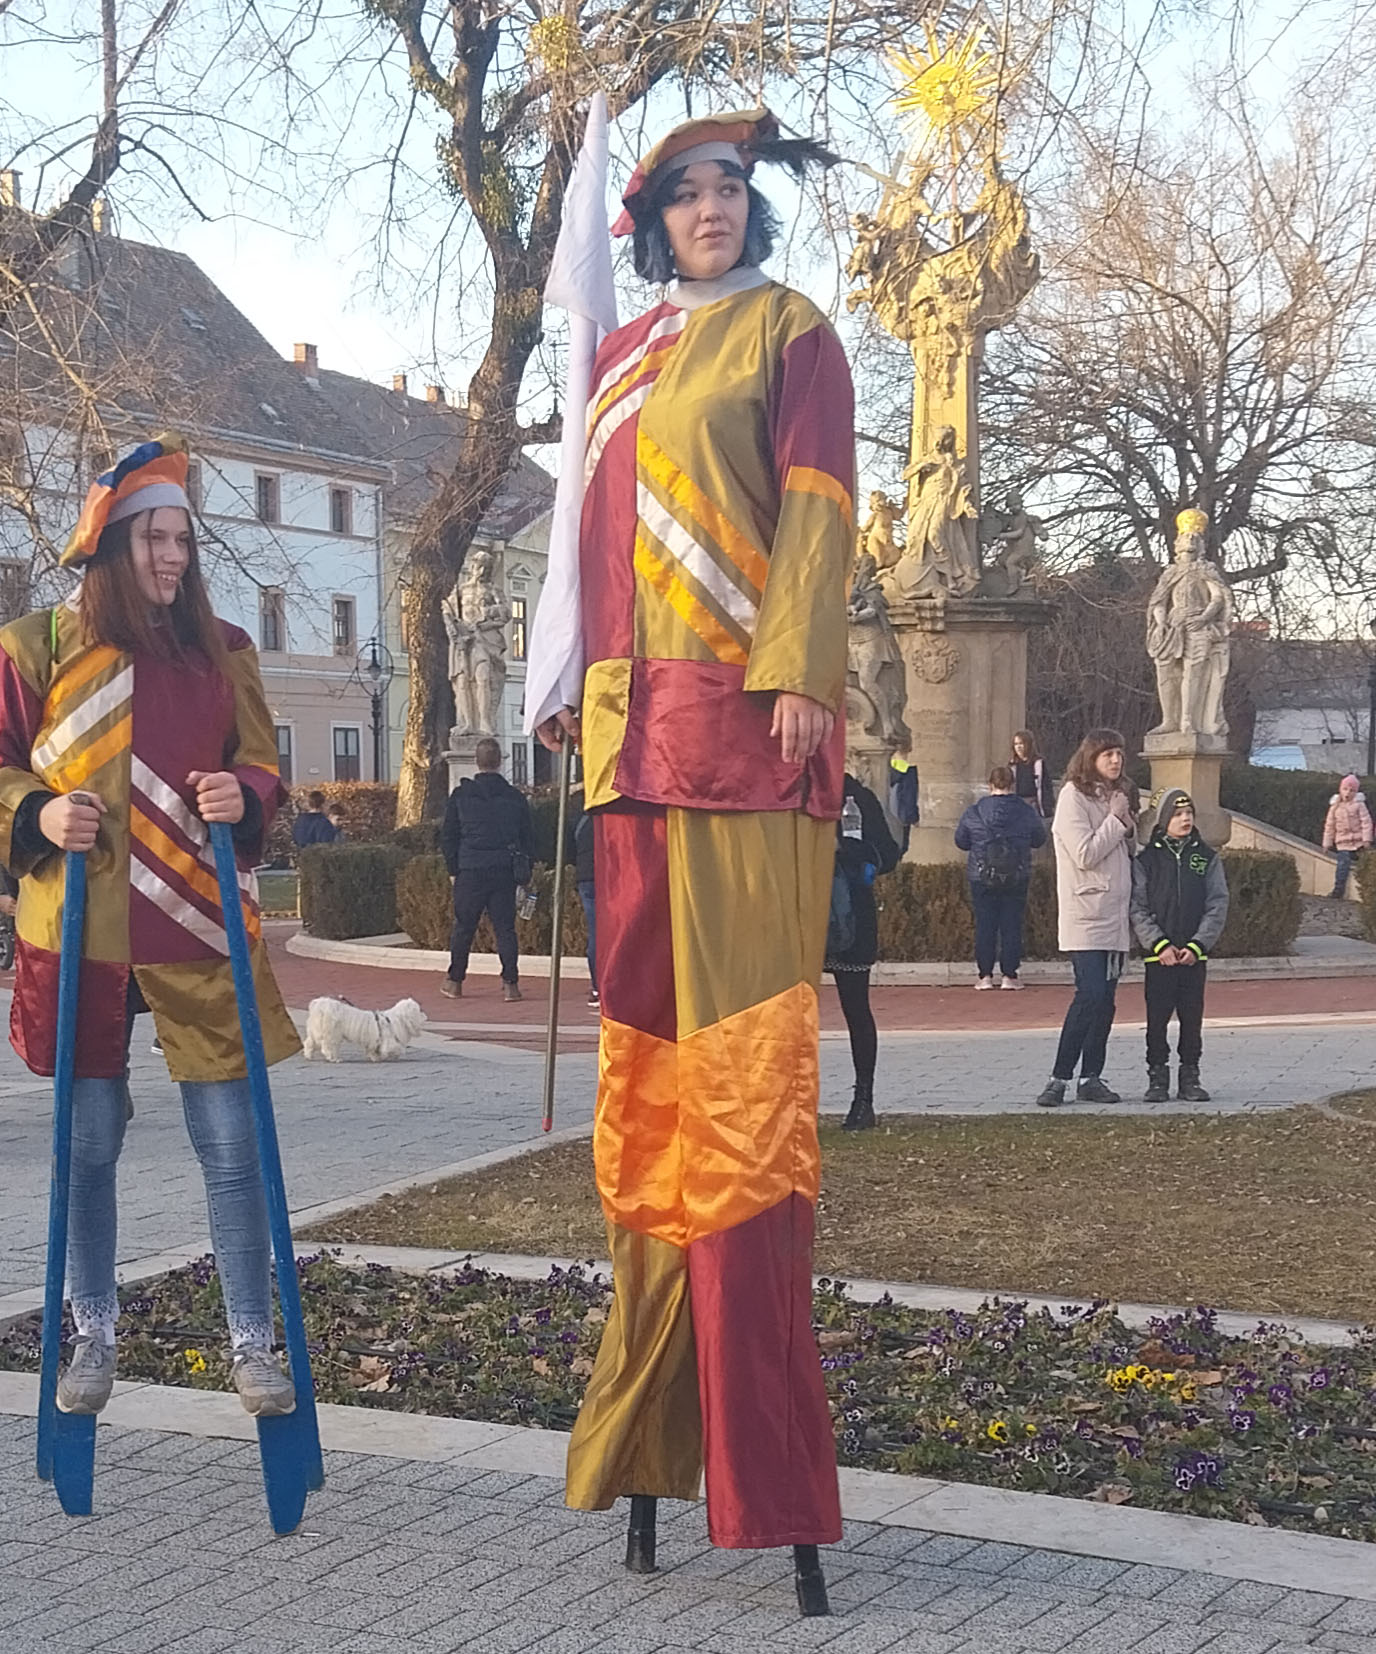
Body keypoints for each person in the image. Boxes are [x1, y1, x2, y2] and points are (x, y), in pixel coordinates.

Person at [532, 107, 853, 1594]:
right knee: (647, 1116)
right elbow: (585, 548)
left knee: (743, 1113)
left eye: (726, 188)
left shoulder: (794, 336)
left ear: (750, 207)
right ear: (652, 219)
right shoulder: (618, 357)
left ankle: (765, 1467)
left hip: (744, 750)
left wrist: (798, 670)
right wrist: (563, 684)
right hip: (628, 761)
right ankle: (651, 1433)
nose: (708, 209)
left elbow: (818, 509)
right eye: (681, 194)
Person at [0, 438, 303, 1419]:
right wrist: (36, 813)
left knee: (231, 1143)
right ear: (111, 545)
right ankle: (92, 1331)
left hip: (198, 925)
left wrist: (245, 793)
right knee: (88, 1141)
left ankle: (252, 1341)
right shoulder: (31, 647)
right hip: (80, 932)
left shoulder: (223, 650)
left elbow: (260, 764)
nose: (173, 558)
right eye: (155, 539)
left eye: (182, 540)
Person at [1040, 730, 1137, 1107]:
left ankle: (1091, 1076)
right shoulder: (1073, 797)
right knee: (1090, 994)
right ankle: (1058, 1077)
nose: (1115, 760)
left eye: (1119, 754)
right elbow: (1084, 853)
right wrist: (1114, 820)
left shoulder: (1117, 795)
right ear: (1090, 757)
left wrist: (1128, 824)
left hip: (1115, 916)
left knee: (1106, 1001)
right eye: (1107, 754)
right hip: (1086, 914)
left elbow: (1127, 851)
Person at [1130, 790, 1229, 1103]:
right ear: (1163, 820)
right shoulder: (1146, 860)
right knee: (1157, 1020)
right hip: (1159, 958)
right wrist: (1158, 944)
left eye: (1189, 813)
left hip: (1192, 957)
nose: (1185, 819)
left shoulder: (1206, 857)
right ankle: (1157, 1076)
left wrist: (1199, 944)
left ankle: (1190, 1076)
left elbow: (1217, 903)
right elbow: (1137, 906)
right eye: (1177, 814)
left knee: (1191, 1018)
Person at [828, 772, 902, 1130]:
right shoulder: (784, 790)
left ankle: (863, 1099)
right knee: (788, 1012)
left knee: (856, 1008)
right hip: (796, 916)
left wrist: (844, 847)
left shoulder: (856, 797)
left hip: (851, 916)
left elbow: (887, 854)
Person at [440, 737, 534, 1001]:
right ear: (500, 761)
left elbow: (448, 836)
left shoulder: (461, 796)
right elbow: (528, 837)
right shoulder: (514, 797)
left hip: (470, 868)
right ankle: (511, 984)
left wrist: (453, 869)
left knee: (464, 927)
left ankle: (455, 981)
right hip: (504, 869)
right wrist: (525, 871)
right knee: (505, 929)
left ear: (476, 761)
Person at [955, 765, 1047, 989]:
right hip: (1017, 874)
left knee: (985, 925)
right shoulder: (1026, 811)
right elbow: (1039, 839)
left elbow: (961, 841)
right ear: (1012, 785)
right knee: (1011, 924)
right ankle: (1009, 976)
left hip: (981, 874)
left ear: (990, 785)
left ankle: (985, 976)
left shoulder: (974, 812)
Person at [566, 790, 599, 1008]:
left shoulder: (576, 815)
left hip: (586, 876)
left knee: (595, 932)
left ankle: (597, 986)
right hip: (612, 875)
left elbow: (569, 851)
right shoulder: (612, 811)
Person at [1320, 774, 1374, 898]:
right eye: (1345, 789)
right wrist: (1327, 844)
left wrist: (1366, 839)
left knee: (1366, 863)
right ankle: (1338, 890)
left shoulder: (1359, 805)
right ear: (1340, 789)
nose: (1348, 793)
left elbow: (1366, 822)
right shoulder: (1335, 807)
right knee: (1342, 865)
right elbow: (1329, 826)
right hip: (1343, 843)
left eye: (1352, 790)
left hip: (1359, 842)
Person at [1010, 730, 1055, 819]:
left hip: (1034, 805)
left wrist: (1047, 809)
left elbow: (1046, 787)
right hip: (1017, 804)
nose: (1018, 747)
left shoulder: (1038, 763)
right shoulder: (1012, 765)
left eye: (1021, 743)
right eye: (1016, 744)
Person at [887, 740, 920, 853]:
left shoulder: (887, 768)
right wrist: (914, 817)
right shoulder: (907, 771)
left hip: (887, 814)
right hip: (902, 817)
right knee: (901, 848)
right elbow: (909, 797)